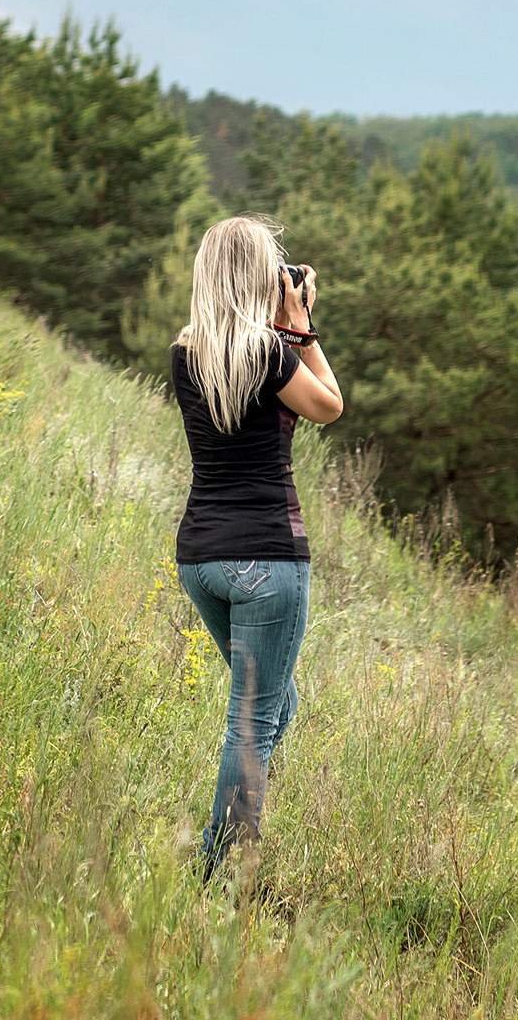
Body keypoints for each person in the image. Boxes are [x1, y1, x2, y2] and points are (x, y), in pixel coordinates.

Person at [167, 214, 344, 884]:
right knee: (252, 723)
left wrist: (283, 326)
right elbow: (328, 406)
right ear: (257, 278)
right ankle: (217, 870)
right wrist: (303, 327)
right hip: (267, 558)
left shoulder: (186, 354)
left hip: (200, 559)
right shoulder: (273, 354)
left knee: (274, 706)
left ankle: (223, 842)